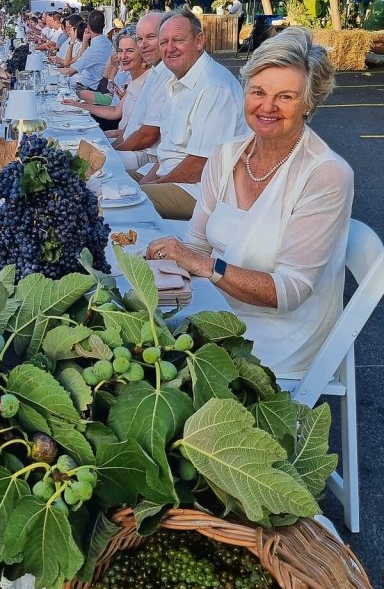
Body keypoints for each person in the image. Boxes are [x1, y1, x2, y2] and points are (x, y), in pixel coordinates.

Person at [147, 28, 353, 377]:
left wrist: (206, 266)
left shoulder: (326, 174)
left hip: (277, 338)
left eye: (285, 97)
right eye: (258, 92)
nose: (267, 107)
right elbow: (195, 244)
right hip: (217, 310)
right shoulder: (225, 156)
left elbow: (290, 291)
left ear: (309, 103)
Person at [138, 7, 246, 219]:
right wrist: (145, 183)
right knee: (106, 182)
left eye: (178, 40)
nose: (170, 48)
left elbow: (199, 165)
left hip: (198, 191)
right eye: (164, 42)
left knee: (119, 202)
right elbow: (167, 153)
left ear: (199, 41)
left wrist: (148, 188)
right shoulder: (175, 82)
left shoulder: (214, 87)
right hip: (171, 178)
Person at [112, 12, 173, 170]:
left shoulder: (167, 74)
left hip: (146, 156)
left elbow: (148, 135)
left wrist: (112, 153)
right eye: (139, 39)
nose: (144, 44)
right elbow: (130, 127)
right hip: (134, 150)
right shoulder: (155, 71)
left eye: (151, 37)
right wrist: (112, 149)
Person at [65, 30, 150, 126]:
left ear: (142, 53)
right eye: (120, 51)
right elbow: (116, 111)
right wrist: (78, 105)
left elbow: (144, 133)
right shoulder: (134, 80)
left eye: (129, 51)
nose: (123, 56)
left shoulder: (148, 80)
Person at [61, 10, 113, 88]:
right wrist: (85, 40)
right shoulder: (108, 43)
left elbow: (70, 71)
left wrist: (50, 71)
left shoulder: (94, 49)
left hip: (87, 87)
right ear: (104, 26)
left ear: (88, 27)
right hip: (92, 83)